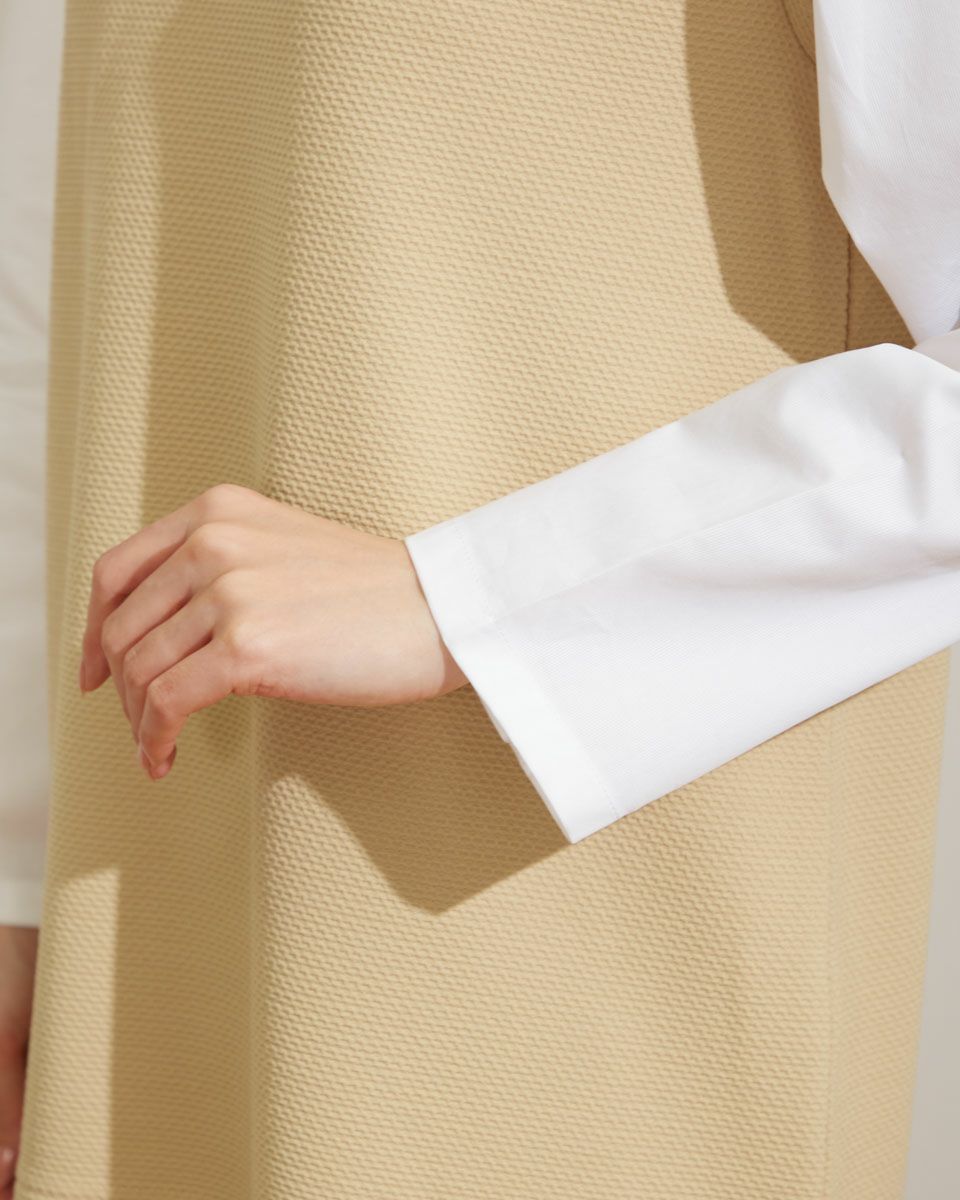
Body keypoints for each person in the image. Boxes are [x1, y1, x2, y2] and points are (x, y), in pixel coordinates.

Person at [1, 1, 958, 1196]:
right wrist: (21, 870)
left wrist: (482, 596)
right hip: (151, 896)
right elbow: (65, 280)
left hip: (569, 935)